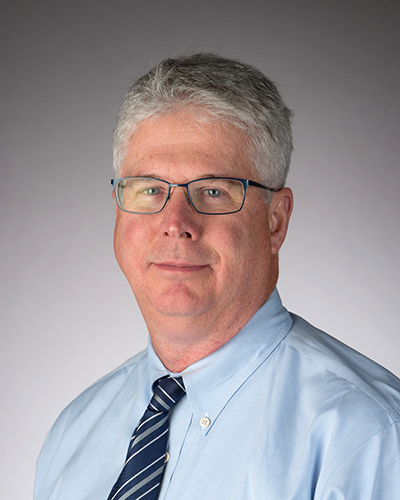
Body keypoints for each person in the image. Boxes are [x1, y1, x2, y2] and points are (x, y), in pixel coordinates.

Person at [34, 53, 400, 500]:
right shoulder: (74, 433)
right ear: (118, 209)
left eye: (212, 191)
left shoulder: (366, 435)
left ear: (275, 222)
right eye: (150, 189)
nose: (176, 222)